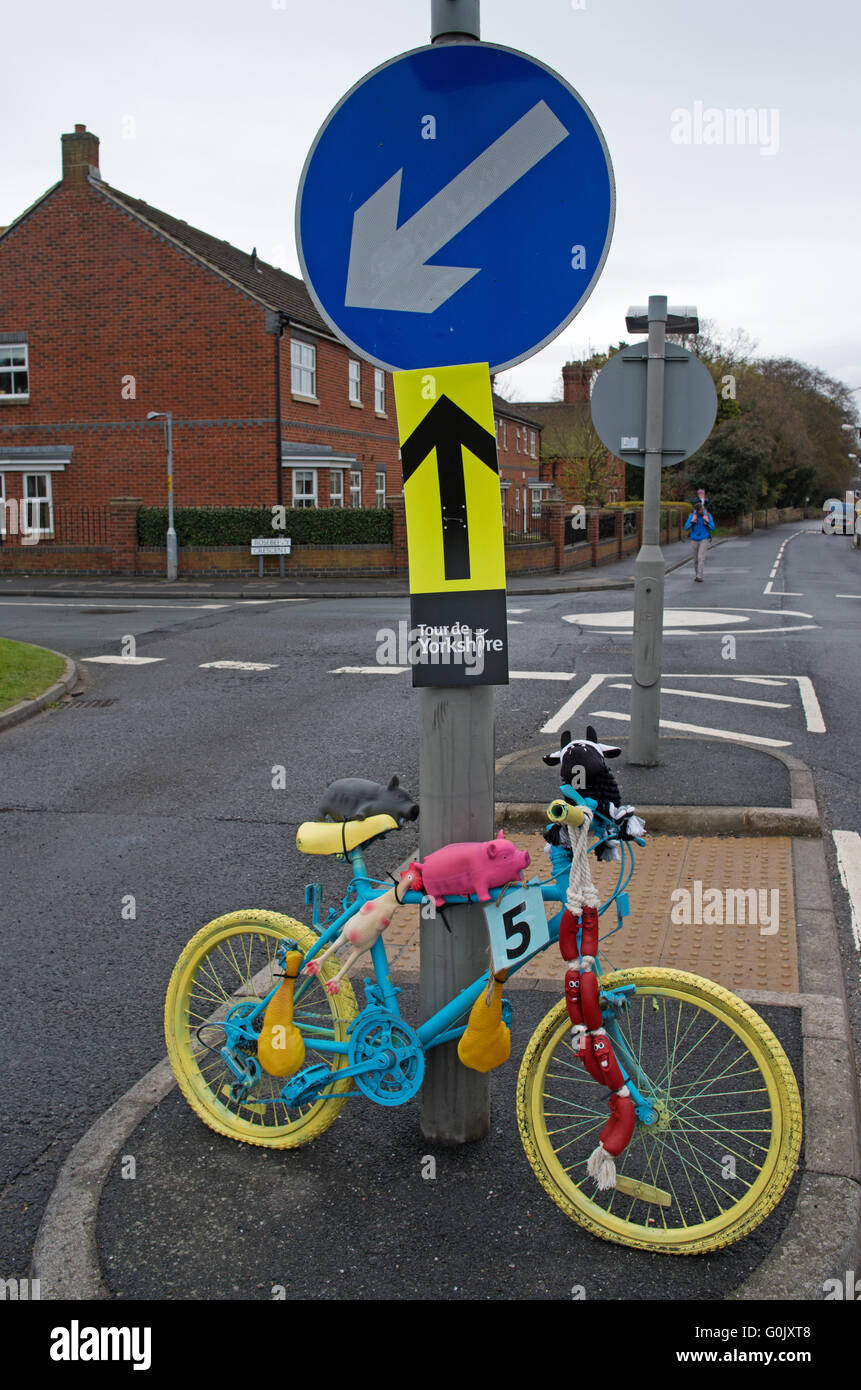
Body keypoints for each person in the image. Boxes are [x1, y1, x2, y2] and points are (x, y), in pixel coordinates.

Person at [684, 500, 715, 581]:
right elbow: (686, 527)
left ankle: (699, 576)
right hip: (694, 539)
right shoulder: (692, 516)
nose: (703, 511)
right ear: (697, 511)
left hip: (704, 539)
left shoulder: (707, 515)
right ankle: (697, 574)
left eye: (703, 509)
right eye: (701, 510)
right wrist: (692, 521)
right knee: (695, 560)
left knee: (701, 558)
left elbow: (713, 527)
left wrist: (707, 522)